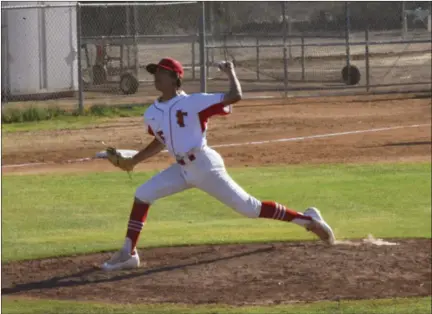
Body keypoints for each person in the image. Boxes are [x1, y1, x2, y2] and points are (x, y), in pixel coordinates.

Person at [101, 57, 335, 271]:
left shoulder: (194, 102)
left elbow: (235, 96)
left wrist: (230, 72)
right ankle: (128, 253)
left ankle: (307, 220)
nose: (156, 76)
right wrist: (134, 161)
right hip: (182, 170)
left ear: (175, 78)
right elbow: (160, 141)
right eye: (155, 72)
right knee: (143, 194)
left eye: (162, 72)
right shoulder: (151, 112)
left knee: (250, 209)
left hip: (205, 166)